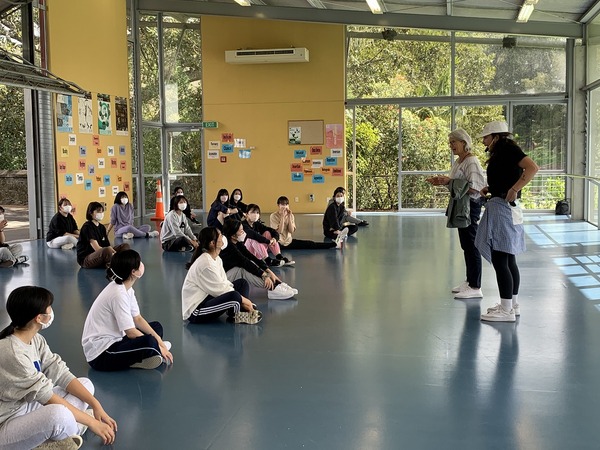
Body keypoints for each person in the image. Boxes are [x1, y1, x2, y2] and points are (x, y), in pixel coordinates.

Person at [0, 286, 117, 449]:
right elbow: (47, 397)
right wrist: (92, 422)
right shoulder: (12, 353)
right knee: (59, 415)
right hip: (6, 423)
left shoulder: (36, 339)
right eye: (49, 307)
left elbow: (59, 372)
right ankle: (53, 438)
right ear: (39, 318)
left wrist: (96, 405)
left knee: (85, 385)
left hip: (25, 406)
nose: (51, 311)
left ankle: (68, 430)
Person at [475, 121, 539, 322]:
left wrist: (514, 189)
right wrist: (491, 188)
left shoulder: (508, 149)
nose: (484, 142)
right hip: (504, 205)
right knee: (508, 258)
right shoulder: (502, 152)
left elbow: (532, 168)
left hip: (503, 208)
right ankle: (511, 304)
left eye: (486, 137)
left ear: (496, 136)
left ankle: (505, 310)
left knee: (500, 258)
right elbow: (507, 175)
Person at [82, 250, 173, 371]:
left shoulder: (126, 288)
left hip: (117, 339)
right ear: (133, 272)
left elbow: (137, 319)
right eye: (139, 263)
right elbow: (130, 332)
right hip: (101, 354)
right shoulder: (118, 294)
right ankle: (142, 355)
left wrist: (160, 343)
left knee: (156, 327)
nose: (142, 264)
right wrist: (159, 347)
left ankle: (143, 354)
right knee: (150, 342)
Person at [426, 129, 486, 299]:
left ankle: (475, 286)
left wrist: (450, 181)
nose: (451, 145)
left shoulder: (471, 161)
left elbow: (476, 187)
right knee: (466, 245)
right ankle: (470, 281)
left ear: (464, 143)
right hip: (461, 206)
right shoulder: (459, 161)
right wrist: (443, 182)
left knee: (472, 245)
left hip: (470, 207)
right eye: (450, 142)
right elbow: (457, 184)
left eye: (454, 142)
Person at [182, 227, 261, 324]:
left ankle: (240, 308)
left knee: (242, 284)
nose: (223, 237)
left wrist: (243, 301)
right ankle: (236, 316)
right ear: (212, 243)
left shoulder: (216, 258)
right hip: (196, 311)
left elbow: (224, 282)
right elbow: (221, 290)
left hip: (207, 296)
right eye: (220, 236)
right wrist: (246, 301)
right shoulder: (206, 264)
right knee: (234, 296)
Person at [221, 219, 297, 300]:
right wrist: (264, 275)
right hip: (223, 278)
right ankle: (272, 288)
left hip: (231, 273)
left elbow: (252, 257)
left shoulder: (237, 243)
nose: (244, 233)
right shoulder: (229, 247)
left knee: (252, 264)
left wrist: (269, 271)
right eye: (241, 231)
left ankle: (277, 283)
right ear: (233, 236)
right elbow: (245, 262)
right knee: (243, 270)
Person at [270, 196, 337, 250]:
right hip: (279, 243)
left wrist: (289, 217)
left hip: (288, 241)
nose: (285, 206)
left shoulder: (291, 215)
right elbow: (279, 232)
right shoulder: (273, 216)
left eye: (286, 204)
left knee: (309, 244)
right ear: (278, 205)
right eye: (282, 204)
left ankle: (333, 244)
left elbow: (291, 231)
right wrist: (282, 217)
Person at [76, 202, 130, 269]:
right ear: (91, 213)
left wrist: (114, 252)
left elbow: (107, 245)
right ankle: (114, 263)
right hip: (86, 258)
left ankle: (119, 261)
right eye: (98, 211)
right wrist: (112, 253)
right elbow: (97, 248)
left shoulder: (102, 227)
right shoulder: (87, 227)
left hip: (100, 254)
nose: (101, 214)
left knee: (125, 246)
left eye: (102, 211)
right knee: (107, 251)